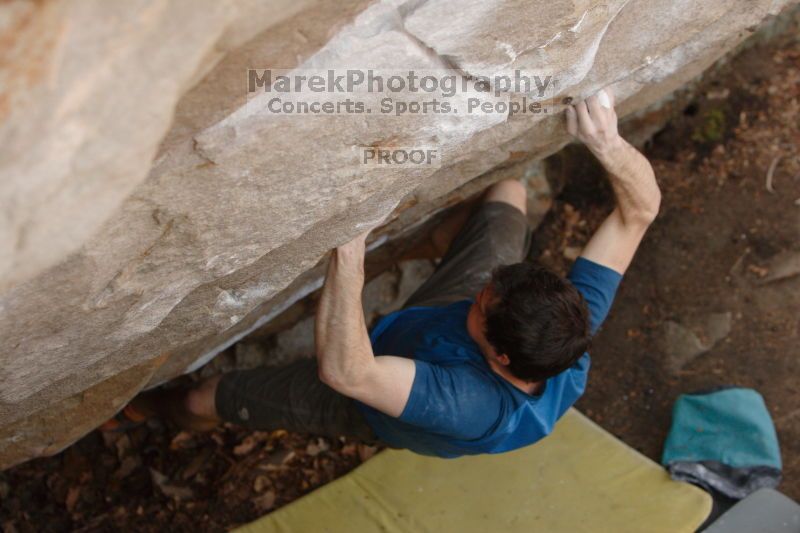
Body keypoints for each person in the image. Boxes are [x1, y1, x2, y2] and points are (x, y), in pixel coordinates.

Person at [108, 89, 661, 457]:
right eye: (497, 283)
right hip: (444, 323)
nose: (485, 286)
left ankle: (150, 409)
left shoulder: (468, 404)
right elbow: (639, 211)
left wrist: (351, 248)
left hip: (365, 397)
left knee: (207, 397)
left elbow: (348, 373)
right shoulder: (566, 332)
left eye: (485, 301)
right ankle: (437, 248)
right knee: (508, 191)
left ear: (500, 356)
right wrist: (607, 143)